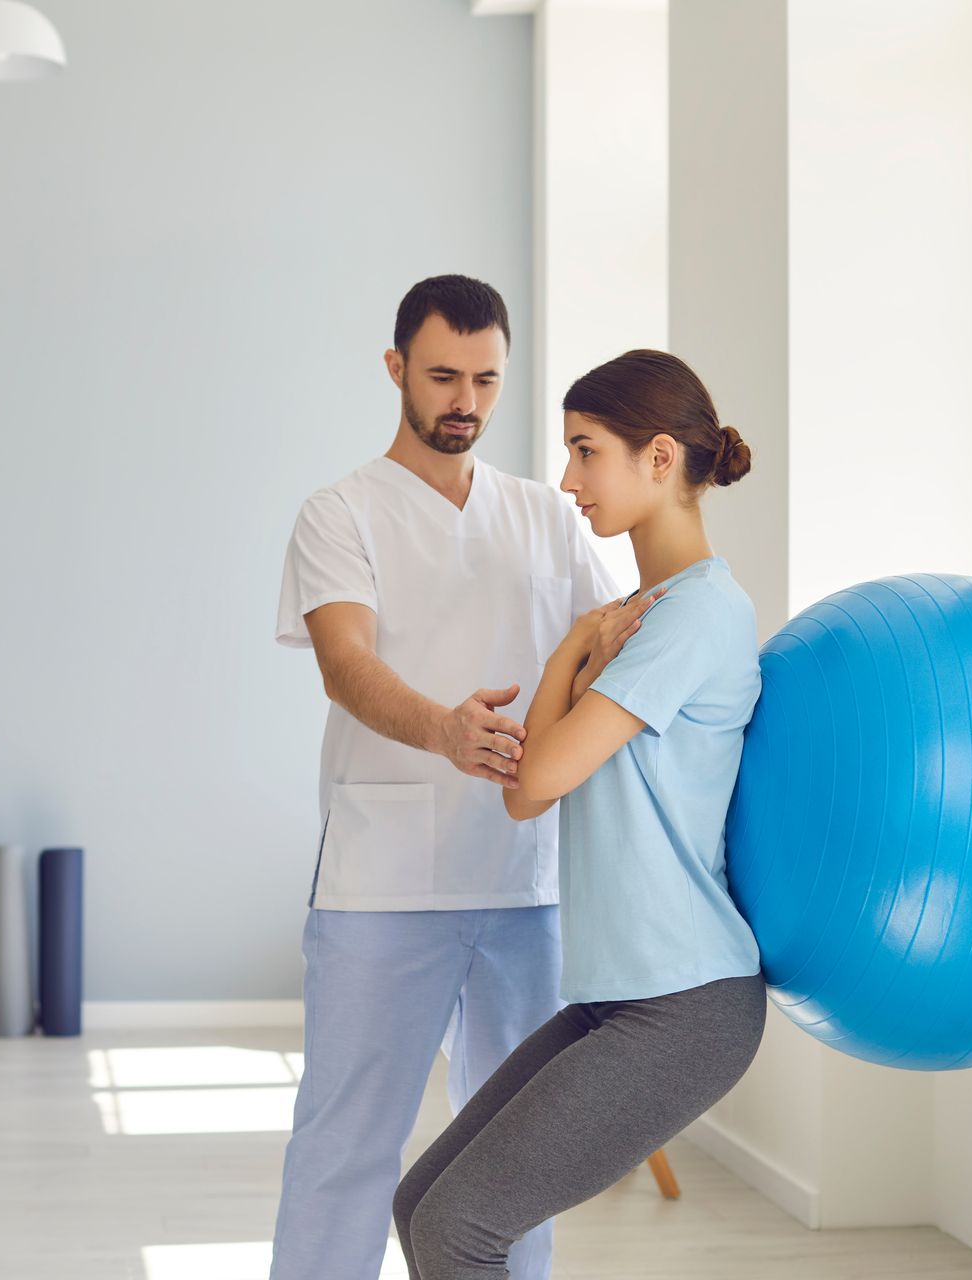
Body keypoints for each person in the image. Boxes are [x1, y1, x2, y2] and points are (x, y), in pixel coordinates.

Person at [391, 349, 767, 1280]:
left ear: (661, 458)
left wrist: (566, 655)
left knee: (457, 1230)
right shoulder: (635, 611)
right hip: (617, 996)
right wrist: (572, 649)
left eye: (586, 451)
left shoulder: (696, 615)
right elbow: (525, 796)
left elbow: (542, 772)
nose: (567, 480)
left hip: (685, 1003)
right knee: (422, 1208)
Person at [271, 275, 616, 1280]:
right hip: (384, 888)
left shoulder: (549, 518)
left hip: (525, 885)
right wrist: (446, 730)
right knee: (346, 1150)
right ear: (396, 371)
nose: (464, 398)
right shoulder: (340, 512)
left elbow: (612, 655)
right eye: (442, 376)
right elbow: (346, 665)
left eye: (486, 379)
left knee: (520, 1156)